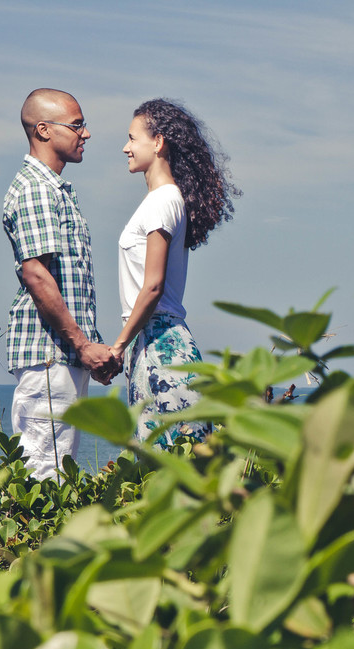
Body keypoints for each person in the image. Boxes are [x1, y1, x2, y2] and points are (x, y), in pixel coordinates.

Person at [3, 88, 121, 479]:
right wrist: (84, 344)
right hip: (50, 353)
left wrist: (89, 347)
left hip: (61, 352)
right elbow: (37, 275)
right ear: (43, 130)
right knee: (44, 471)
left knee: (57, 461)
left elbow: (66, 281)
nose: (85, 133)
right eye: (77, 125)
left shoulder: (53, 189)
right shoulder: (37, 189)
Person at [110, 98, 239, 447]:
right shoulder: (162, 200)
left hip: (161, 342)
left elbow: (153, 287)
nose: (126, 147)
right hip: (151, 341)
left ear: (158, 142)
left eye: (132, 138)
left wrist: (117, 347)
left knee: (171, 465)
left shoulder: (164, 201)